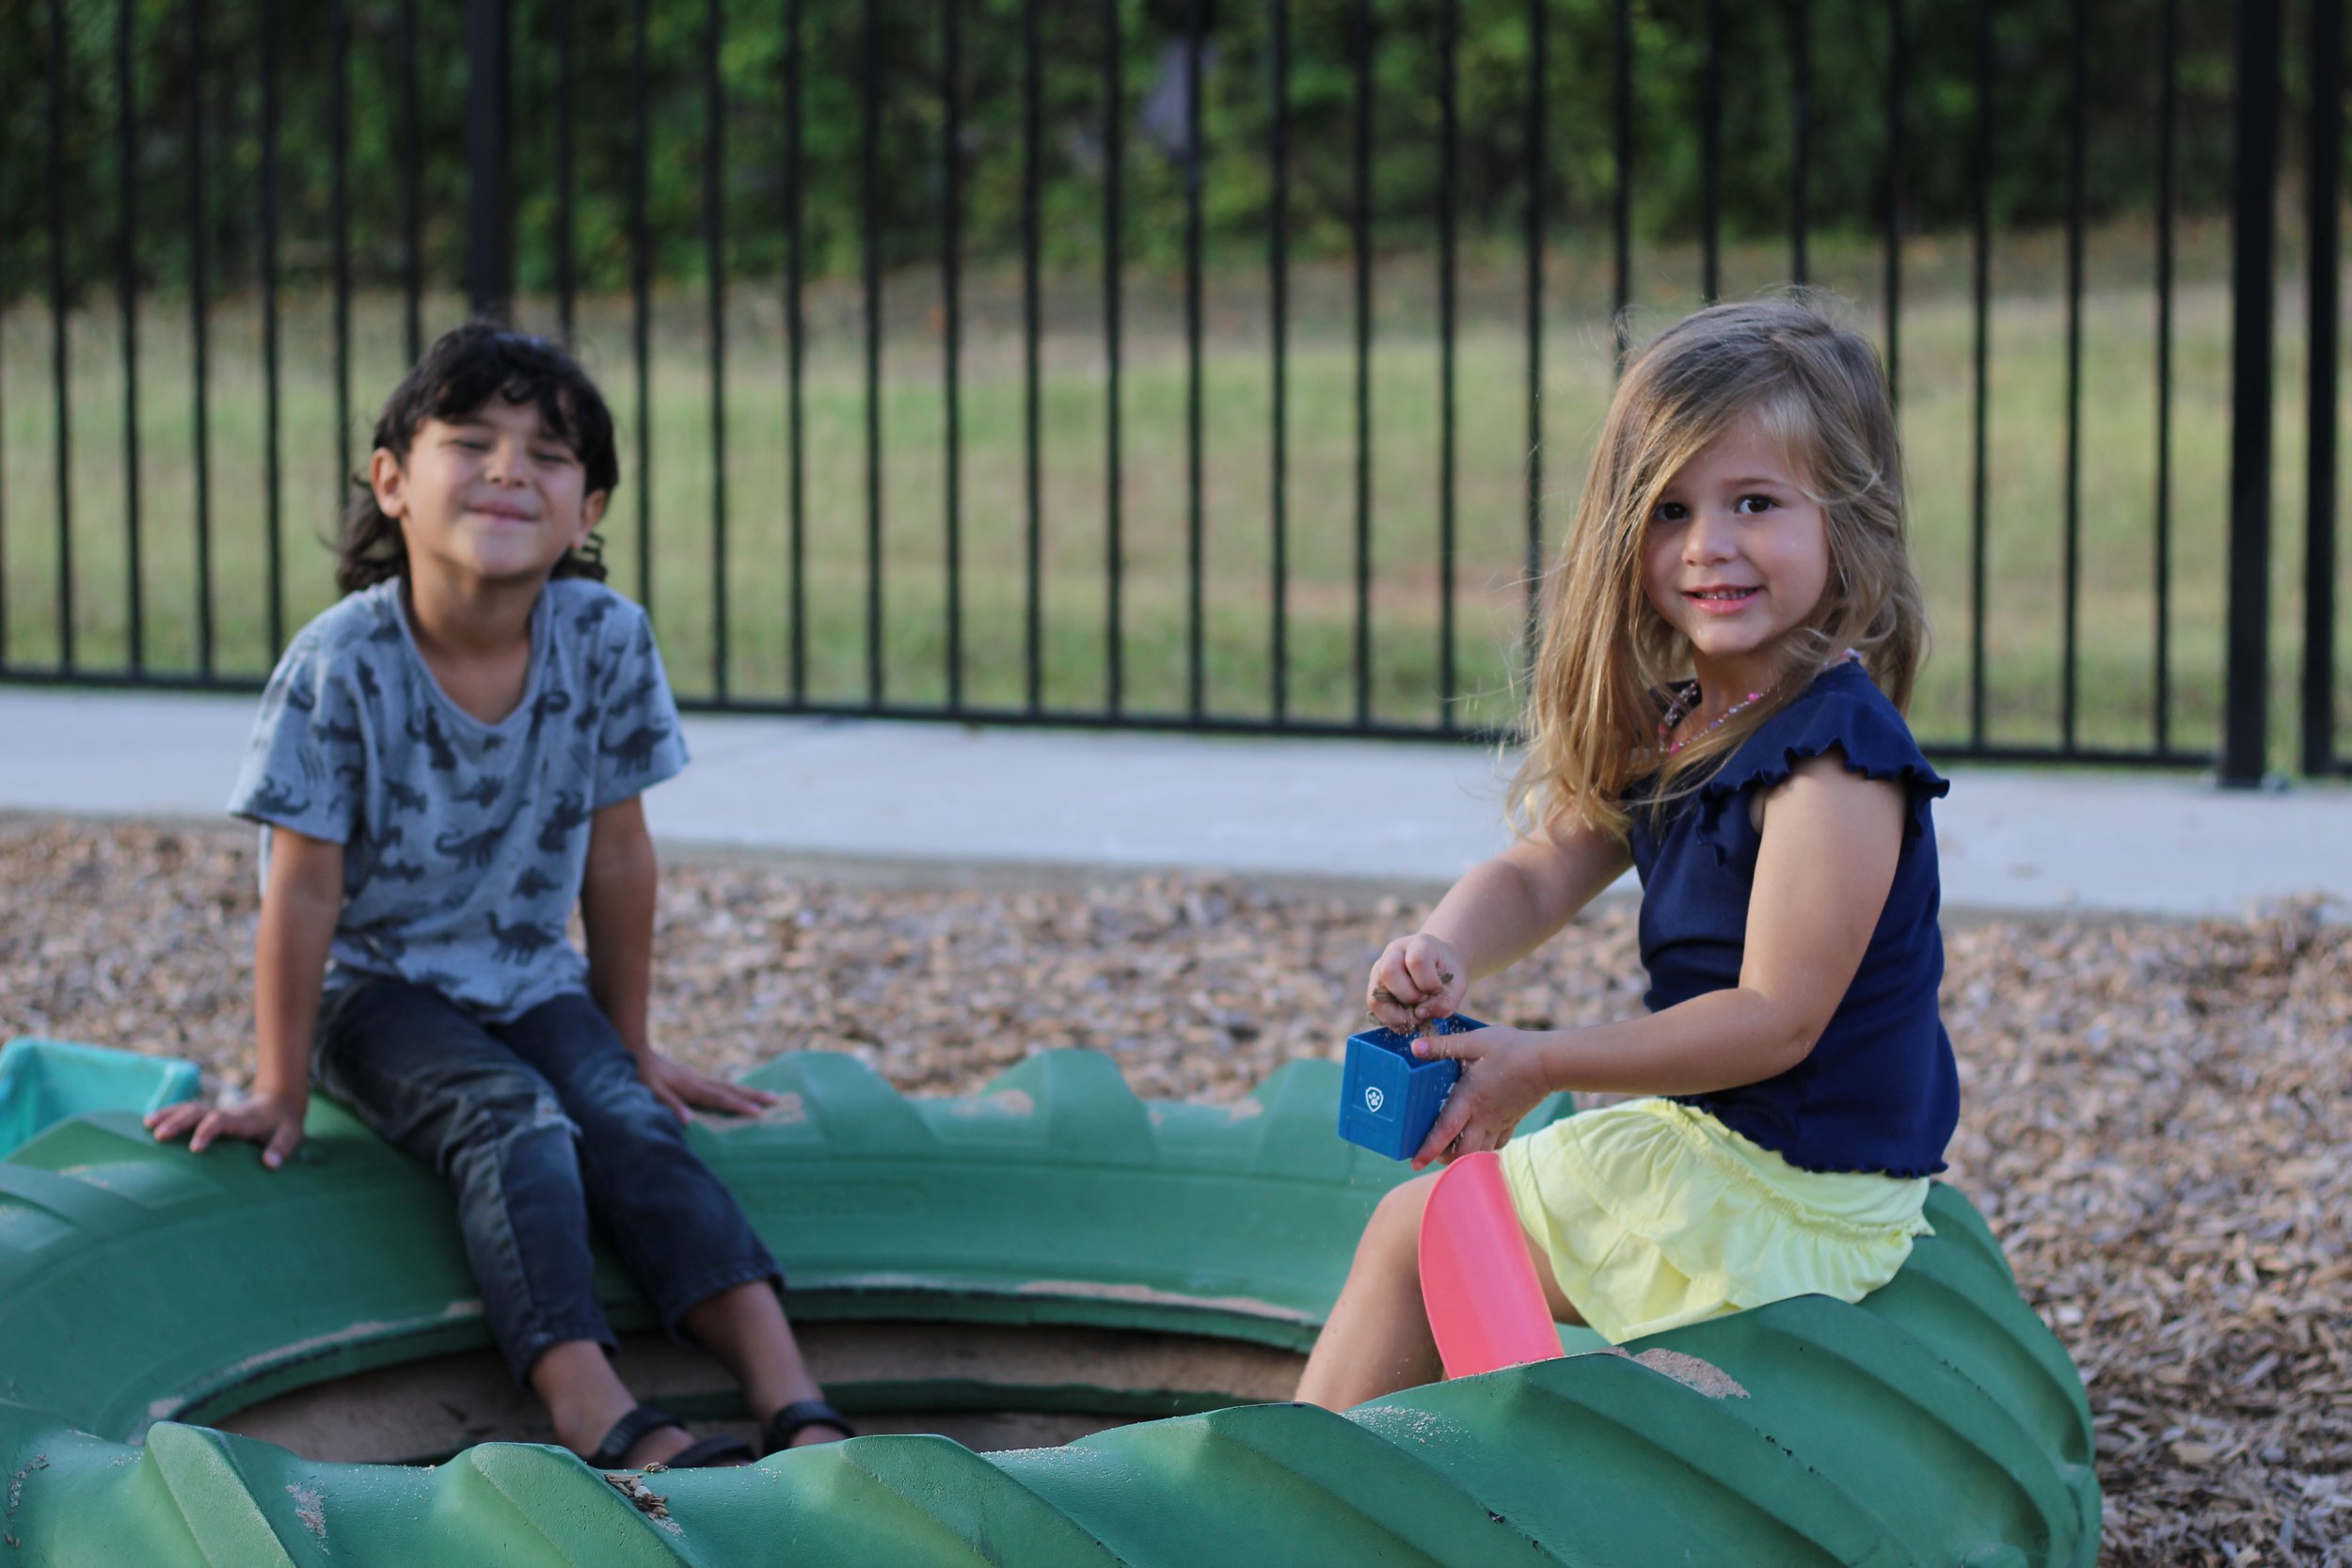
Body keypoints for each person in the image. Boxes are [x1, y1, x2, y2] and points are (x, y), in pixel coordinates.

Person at [147, 323, 853, 1467]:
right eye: (470, 441)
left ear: (589, 510)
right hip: (375, 995)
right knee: (510, 1115)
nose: (509, 469)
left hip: (530, 977)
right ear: (392, 482)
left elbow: (619, 858)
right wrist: (278, 1084)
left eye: (549, 453)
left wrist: (629, 1045)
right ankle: (594, 1405)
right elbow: (303, 888)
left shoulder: (608, 640)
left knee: (622, 1116)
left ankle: (798, 1400)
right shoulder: (340, 665)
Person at [1295, 296, 1958, 1409]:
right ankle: (1498, 1444)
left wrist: (1547, 1058)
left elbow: (1775, 1017)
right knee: (1453, 1207)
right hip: (1735, 1146)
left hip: (1796, 1190)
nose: (1708, 545)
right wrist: (1445, 944)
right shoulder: (1685, 718)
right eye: (1669, 509)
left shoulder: (1835, 760)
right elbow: (1543, 865)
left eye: (1755, 501)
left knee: (1418, 1230)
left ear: (1847, 516)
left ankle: (1297, 1503)